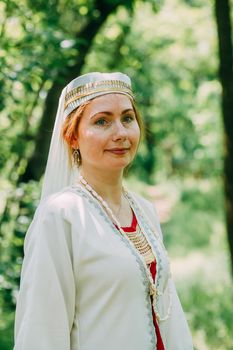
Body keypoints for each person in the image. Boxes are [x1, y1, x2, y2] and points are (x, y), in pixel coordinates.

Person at [13, 72, 193, 350]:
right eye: (102, 121)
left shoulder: (144, 211)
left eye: (127, 118)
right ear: (72, 136)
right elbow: (42, 329)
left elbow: (169, 313)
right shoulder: (61, 215)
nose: (120, 133)